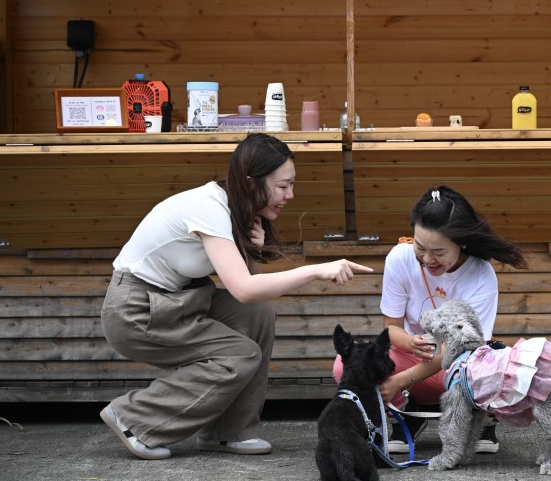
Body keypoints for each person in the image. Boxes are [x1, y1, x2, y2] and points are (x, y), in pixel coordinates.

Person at [100, 132, 373, 460]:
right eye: (283, 186)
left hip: (176, 302)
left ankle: (229, 432)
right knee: (239, 355)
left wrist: (253, 250)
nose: (291, 195)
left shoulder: (235, 209)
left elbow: (250, 292)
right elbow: (243, 290)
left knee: (259, 314)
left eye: (292, 185)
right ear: (249, 183)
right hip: (136, 310)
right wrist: (315, 271)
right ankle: (135, 417)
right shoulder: (209, 209)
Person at [333, 185, 527, 454]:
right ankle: (404, 416)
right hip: (417, 359)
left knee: (500, 369)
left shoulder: (481, 274)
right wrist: (411, 343)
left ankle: (479, 422)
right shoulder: (400, 258)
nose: (427, 259)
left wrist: (400, 380)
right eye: (420, 246)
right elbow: (391, 327)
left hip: (458, 367)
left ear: (461, 242)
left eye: (438, 252)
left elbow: (459, 350)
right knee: (347, 366)